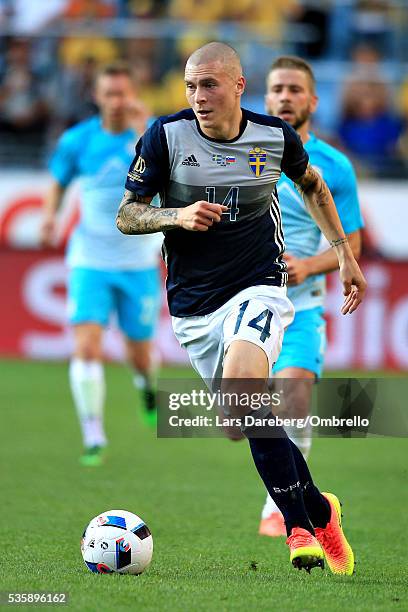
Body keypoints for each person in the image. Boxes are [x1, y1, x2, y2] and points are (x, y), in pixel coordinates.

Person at [116, 42, 367, 575]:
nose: (198, 96)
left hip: (259, 287)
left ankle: (297, 527)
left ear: (237, 86)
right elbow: (128, 214)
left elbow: (313, 185)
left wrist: (342, 253)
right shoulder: (165, 136)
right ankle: (323, 510)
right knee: (240, 420)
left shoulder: (273, 137)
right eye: (190, 85)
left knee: (246, 398)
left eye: (208, 84)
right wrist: (176, 217)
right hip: (193, 309)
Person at [257, 56, 364, 537]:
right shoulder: (240, 153)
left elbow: (352, 245)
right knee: (239, 419)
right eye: (277, 88)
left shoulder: (334, 166)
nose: (285, 97)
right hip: (243, 306)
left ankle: (282, 512)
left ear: (312, 101)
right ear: (264, 97)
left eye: (295, 90)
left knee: (293, 396)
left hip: (300, 307)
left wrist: (309, 265)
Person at [40, 62, 162, 466]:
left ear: (133, 93)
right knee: (86, 345)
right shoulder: (78, 140)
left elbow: (174, 179)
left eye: (122, 93)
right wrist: (49, 217)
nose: (116, 101)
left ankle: (147, 385)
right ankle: (93, 432)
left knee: (139, 353)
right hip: (90, 260)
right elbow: (58, 182)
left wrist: (145, 131)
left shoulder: (152, 136)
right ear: (96, 96)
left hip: (139, 262)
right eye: (109, 94)